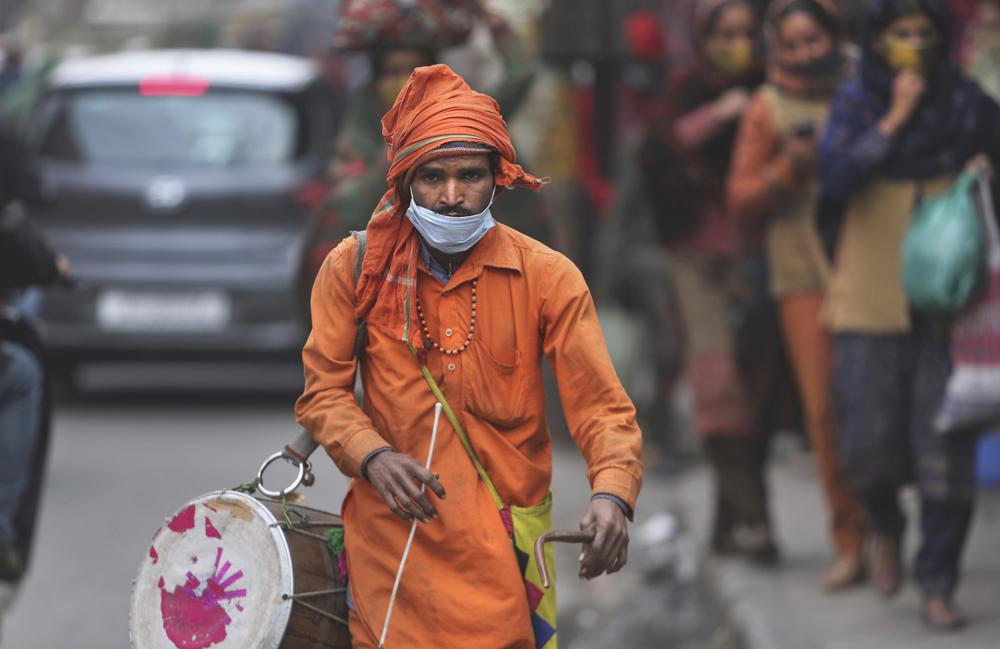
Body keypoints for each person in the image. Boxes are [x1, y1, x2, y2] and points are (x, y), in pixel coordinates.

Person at [296, 64, 643, 648]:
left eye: (470, 176)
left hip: (505, 551)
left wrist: (612, 494)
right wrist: (372, 455)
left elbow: (603, 408)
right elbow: (322, 395)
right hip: (393, 543)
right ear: (405, 181)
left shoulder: (548, 276)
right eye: (432, 177)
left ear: (498, 180)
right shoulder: (354, 268)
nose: (452, 197)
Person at [819, 0, 1000, 630]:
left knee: (945, 452)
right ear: (878, 39)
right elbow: (835, 176)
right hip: (869, 296)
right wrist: (895, 117)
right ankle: (886, 527)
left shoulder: (970, 106)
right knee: (866, 449)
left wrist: (984, 177)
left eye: (925, 33)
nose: (914, 43)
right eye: (901, 32)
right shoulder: (854, 104)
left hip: (952, 304)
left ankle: (938, 584)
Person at [727, 0, 867, 589]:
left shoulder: (863, 91)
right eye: (794, 43)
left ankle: (886, 526)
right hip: (800, 271)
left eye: (815, 39)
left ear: (832, 38)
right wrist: (789, 170)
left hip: (867, 259)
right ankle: (852, 539)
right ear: (776, 50)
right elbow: (741, 198)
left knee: (877, 404)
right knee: (824, 412)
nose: (807, 52)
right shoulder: (767, 107)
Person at [641, 0, 783, 563]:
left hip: (759, 261)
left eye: (747, 33)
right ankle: (757, 522)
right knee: (718, 384)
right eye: (726, 33)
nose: (738, 43)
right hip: (696, 260)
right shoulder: (688, 89)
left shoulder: (773, 88)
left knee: (759, 394)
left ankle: (730, 523)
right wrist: (721, 116)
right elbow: (657, 152)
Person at [302, 0, 535, 278]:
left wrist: (491, 22)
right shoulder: (363, 126)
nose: (404, 82)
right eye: (393, 72)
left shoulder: (464, 114)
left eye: (414, 70)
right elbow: (351, 202)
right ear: (376, 81)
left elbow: (521, 75)